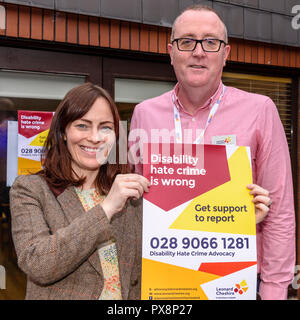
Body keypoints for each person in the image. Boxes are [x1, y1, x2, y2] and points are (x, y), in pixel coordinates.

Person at [129, 5, 295, 300]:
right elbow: (136, 209)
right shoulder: (144, 114)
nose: (198, 52)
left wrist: (273, 290)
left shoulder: (260, 111)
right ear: (171, 51)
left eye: (210, 42)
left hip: (238, 281)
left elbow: (279, 212)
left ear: (225, 53)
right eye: (187, 41)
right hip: (166, 278)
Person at [9, 83, 149, 300]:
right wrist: (106, 208)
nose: (94, 137)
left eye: (105, 127)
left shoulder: (130, 194)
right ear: (63, 131)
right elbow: (37, 263)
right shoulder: (31, 189)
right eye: (82, 126)